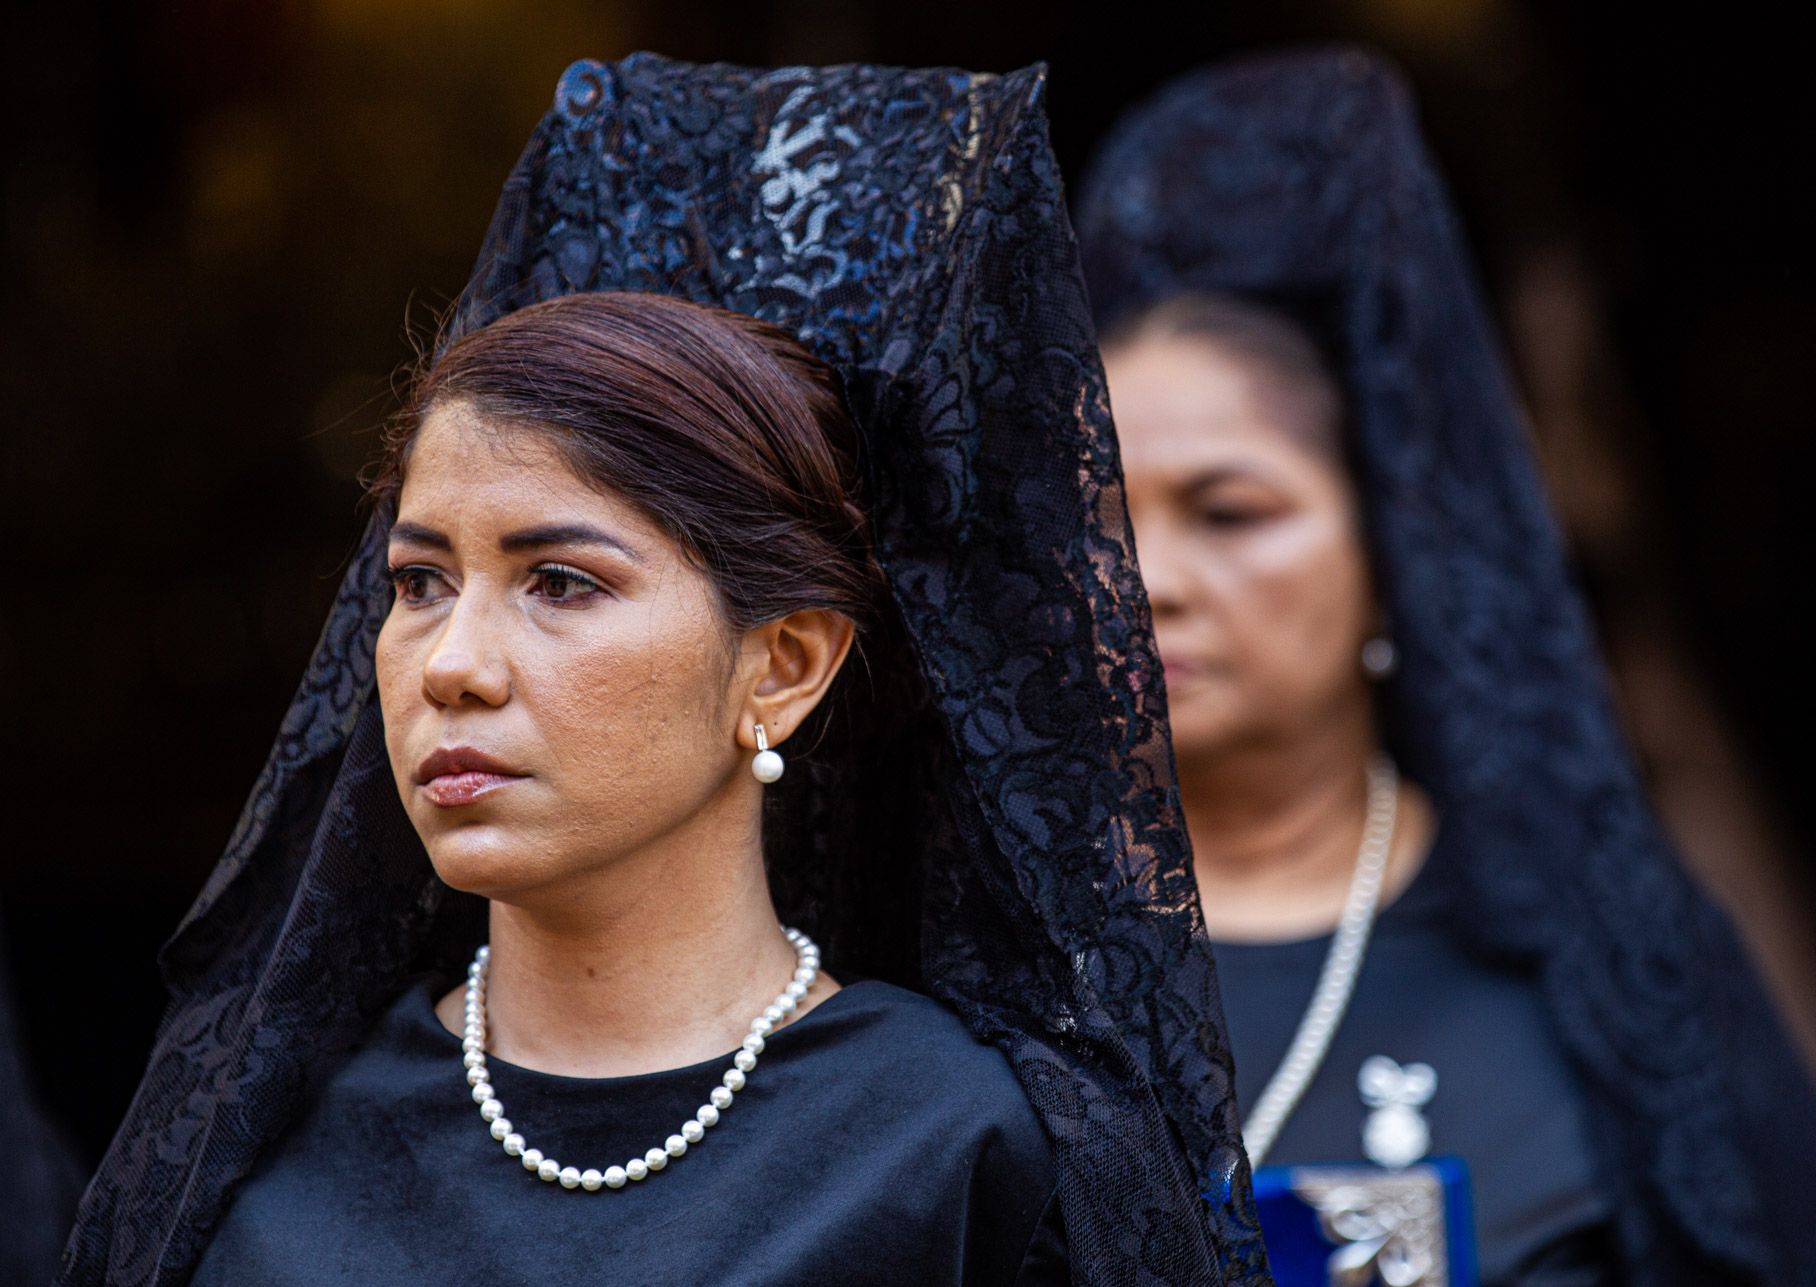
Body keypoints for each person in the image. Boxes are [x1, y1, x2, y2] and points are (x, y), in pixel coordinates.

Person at [61, 54, 1268, 1284]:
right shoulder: (267, 1156)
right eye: (420, 582)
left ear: (784, 666)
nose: (454, 664)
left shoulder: (962, 1159)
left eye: (562, 583)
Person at [1075, 48, 1816, 1285]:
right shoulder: (1006, 973)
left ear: (1393, 555)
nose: (1155, 580)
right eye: (1101, 525)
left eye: (1231, 512)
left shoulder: (1606, 975)